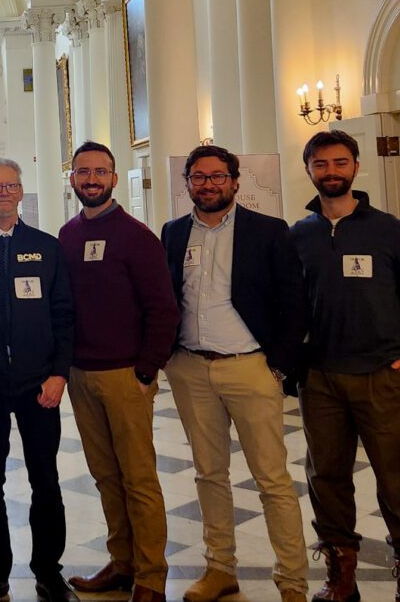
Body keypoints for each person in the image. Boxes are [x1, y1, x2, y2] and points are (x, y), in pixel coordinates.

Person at [160, 145, 309, 602]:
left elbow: (295, 302)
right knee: (209, 474)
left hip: (250, 367)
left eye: (218, 176)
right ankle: (220, 568)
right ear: (186, 182)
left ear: (235, 180)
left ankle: (292, 581)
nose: (208, 184)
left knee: (272, 480)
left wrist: (278, 364)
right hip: (191, 367)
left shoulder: (268, 231)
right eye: (199, 177)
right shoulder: (172, 232)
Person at [58, 141, 179, 602]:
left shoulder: (136, 236)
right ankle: (122, 562)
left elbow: (162, 308)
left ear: (113, 177)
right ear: (72, 179)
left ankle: (151, 575)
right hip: (80, 375)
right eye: (83, 171)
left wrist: (147, 370)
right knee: (105, 476)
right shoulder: (67, 235)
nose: (91, 179)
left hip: (126, 374)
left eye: (100, 172)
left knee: (139, 478)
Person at [289, 130, 400, 602]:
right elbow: (287, 305)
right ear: (309, 170)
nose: (330, 172)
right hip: (321, 378)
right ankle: (341, 576)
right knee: (326, 477)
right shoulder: (298, 236)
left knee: (396, 476)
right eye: (320, 164)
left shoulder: (388, 228)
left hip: (381, 374)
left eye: (339, 163)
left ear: (356, 166)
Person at [0, 158, 77, 602]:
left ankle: (49, 571)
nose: (3, 194)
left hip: (38, 387)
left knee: (45, 479)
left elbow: (63, 316)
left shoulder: (47, 247)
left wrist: (59, 374)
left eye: (10, 186)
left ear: (20, 191)